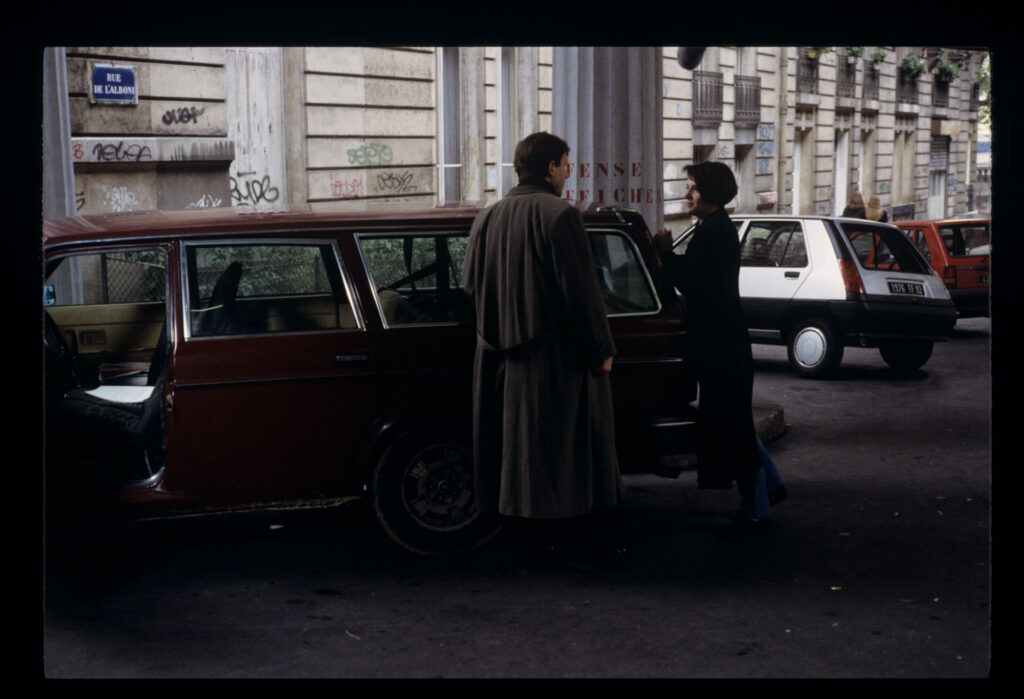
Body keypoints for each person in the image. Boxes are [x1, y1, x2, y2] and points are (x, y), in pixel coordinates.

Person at [463, 132, 624, 570]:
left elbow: (471, 288)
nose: (570, 171)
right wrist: (600, 350)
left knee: (512, 455)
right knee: (563, 454)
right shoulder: (561, 216)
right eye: (567, 163)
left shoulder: (487, 217)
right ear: (550, 167)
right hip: (552, 362)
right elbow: (581, 295)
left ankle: (523, 545)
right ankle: (571, 547)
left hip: (496, 360)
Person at [653, 161, 786, 536]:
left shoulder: (713, 233)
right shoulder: (713, 228)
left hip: (721, 351)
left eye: (692, 187)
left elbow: (693, 285)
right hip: (725, 347)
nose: (686, 193)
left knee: (735, 428)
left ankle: (757, 506)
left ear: (709, 191)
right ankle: (771, 486)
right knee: (736, 423)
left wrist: (664, 254)